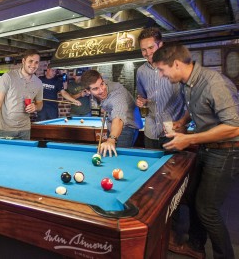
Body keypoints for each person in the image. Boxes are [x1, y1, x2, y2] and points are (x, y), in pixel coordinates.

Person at [153, 43, 239, 259]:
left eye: (162, 70)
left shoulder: (214, 83)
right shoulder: (187, 83)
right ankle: (196, 246)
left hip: (228, 151)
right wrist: (183, 122)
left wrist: (189, 138)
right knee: (191, 197)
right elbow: (194, 107)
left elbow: (234, 126)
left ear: (176, 64)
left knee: (208, 210)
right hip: (207, 149)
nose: (162, 75)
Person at [136, 27, 186, 149]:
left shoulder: (176, 66)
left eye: (151, 47)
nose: (147, 53)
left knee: (174, 168)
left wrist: (183, 124)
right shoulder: (141, 71)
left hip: (173, 133)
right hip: (150, 132)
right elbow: (142, 97)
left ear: (161, 45)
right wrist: (141, 101)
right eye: (143, 50)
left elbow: (189, 99)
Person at [81, 70, 143, 156]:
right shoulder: (96, 89)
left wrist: (111, 139)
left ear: (103, 80)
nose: (102, 90)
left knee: (119, 156)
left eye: (102, 84)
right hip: (111, 125)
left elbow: (118, 118)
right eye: (95, 88)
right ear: (87, 91)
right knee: (108, 152)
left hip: (128, 126)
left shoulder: (117, 93)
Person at [0, 49, 43, 140]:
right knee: (5, 154)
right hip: (5, 129)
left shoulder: (38, 83)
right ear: (23, 61)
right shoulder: (8, 77)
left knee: (24, 154)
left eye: (36, 62)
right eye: (30, 61)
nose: (33, 65)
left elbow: (40, 104)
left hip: (25, 129)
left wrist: (35, 107)